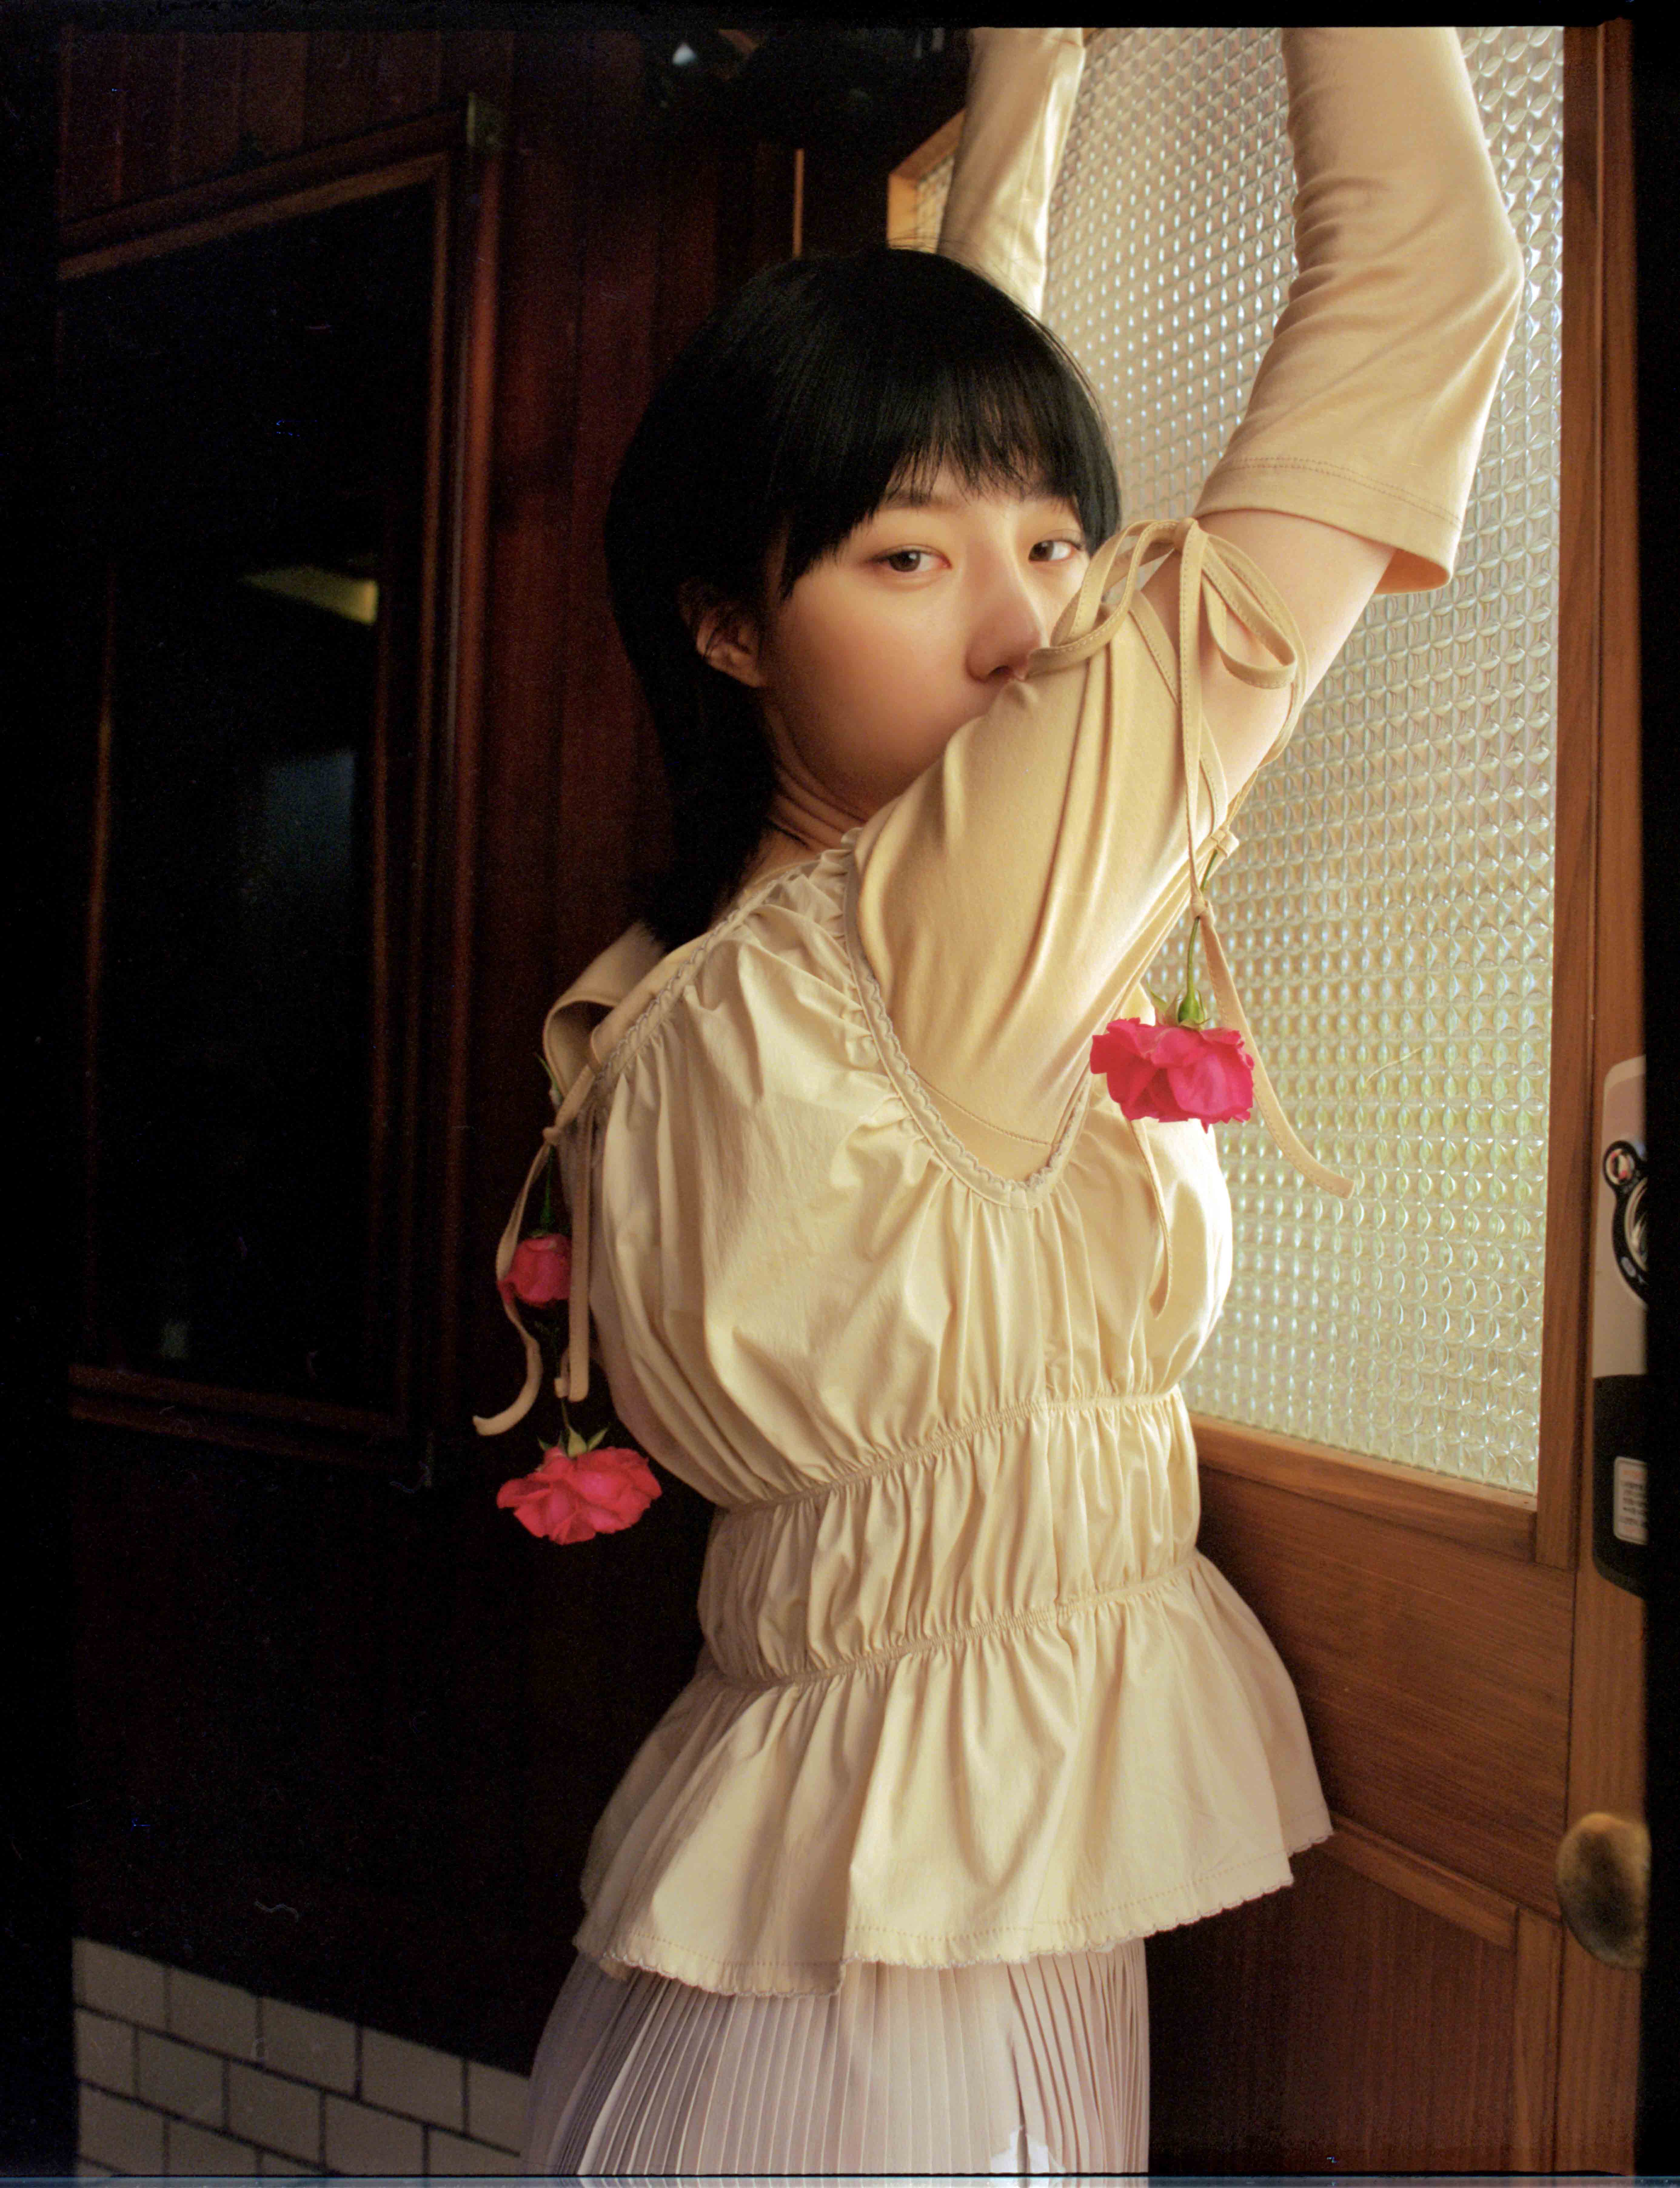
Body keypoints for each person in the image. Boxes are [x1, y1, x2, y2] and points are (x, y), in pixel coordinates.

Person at [477, 24, 1524, 2174]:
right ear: (728, 629)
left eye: (1056, 545)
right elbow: (1425, 292)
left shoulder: (698, 973)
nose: (1024, 634)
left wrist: (1027, 70)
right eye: (903, 563)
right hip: (911, 1977)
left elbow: (952, 479)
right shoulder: (917, 947)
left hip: (845, 1896)